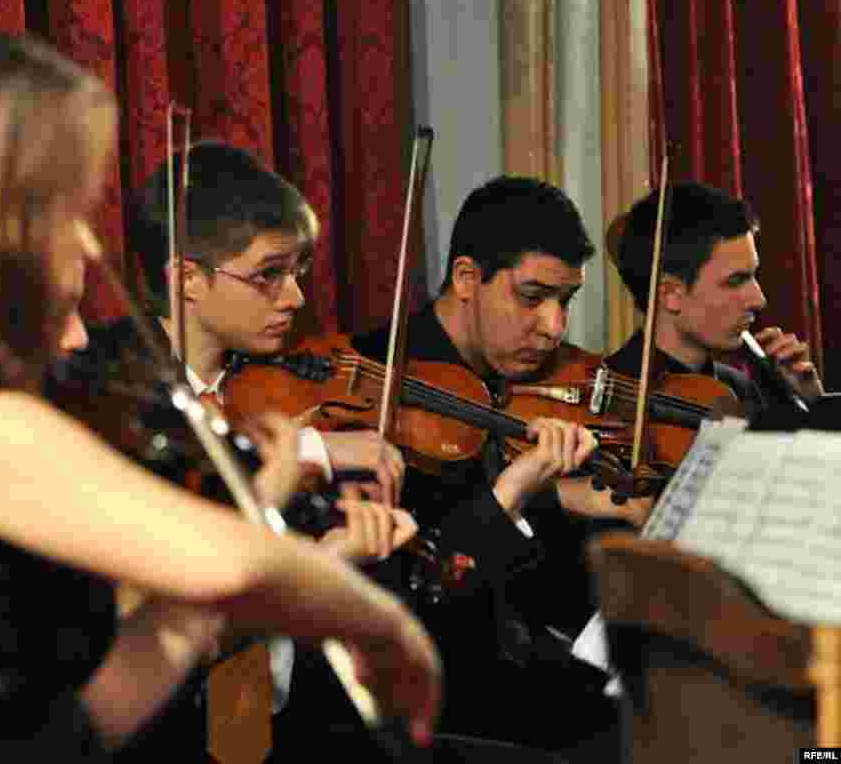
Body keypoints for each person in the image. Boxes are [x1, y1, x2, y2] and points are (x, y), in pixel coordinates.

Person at [0, 30, 440, 761]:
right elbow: (237, 566)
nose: (87, 249)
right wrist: (385, 630)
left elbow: (78, 726)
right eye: (67, 214)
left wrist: (252, 512)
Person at [121, 141, 423, 763]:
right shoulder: (128, 402)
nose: (296, 298)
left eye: (297, 272)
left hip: (284, 725)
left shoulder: (260, 393)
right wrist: (312, 450)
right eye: (268, 275)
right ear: (186, 279)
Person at [350, 175, 638, 761]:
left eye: (566, 301)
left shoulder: (528, 383)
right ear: (465, 279)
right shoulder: (374, 388)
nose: (555, 328)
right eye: (532, 298)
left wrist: (571, 500)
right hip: (429, 690)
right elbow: (417, 596)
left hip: (522, 661)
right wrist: (516, 491)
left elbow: (545, 584)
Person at [609, 181, 824, 417]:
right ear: (670, 294)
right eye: (735, 281)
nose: (759, 300)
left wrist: (811, 405)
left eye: (753, 276)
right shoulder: (611, 395)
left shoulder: (744, 391)